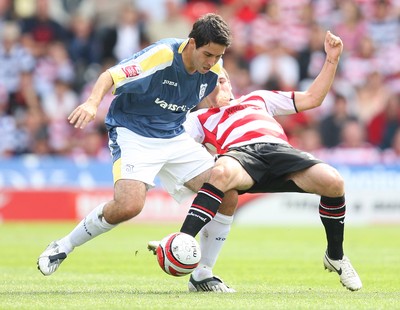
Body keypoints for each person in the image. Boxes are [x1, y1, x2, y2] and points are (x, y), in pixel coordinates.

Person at [149, 31, 362, 292]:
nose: (219, 84)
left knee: (334, 182)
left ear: (230, 83)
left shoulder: (257, 98)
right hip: (242, 157)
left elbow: (312, 99)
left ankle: (336, 256)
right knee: (221, 172)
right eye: (212, 81)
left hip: (279, 153)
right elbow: (171, 145)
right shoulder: (199, 118)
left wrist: (332, 59)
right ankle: (180, 241)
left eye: (222, 80)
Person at [37, 13, 234, 281]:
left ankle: (203, 274)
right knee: (129, 205)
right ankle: (63, 245)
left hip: (174, 134)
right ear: (191, 43)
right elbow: (111, 75)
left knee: (227, 191)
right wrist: (92, 103)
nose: (212, 62)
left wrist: (221, 91)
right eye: (208, 55)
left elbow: (221, 77)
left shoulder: (214, 63)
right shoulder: (163, 55)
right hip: (134, 132)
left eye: (217, 56)